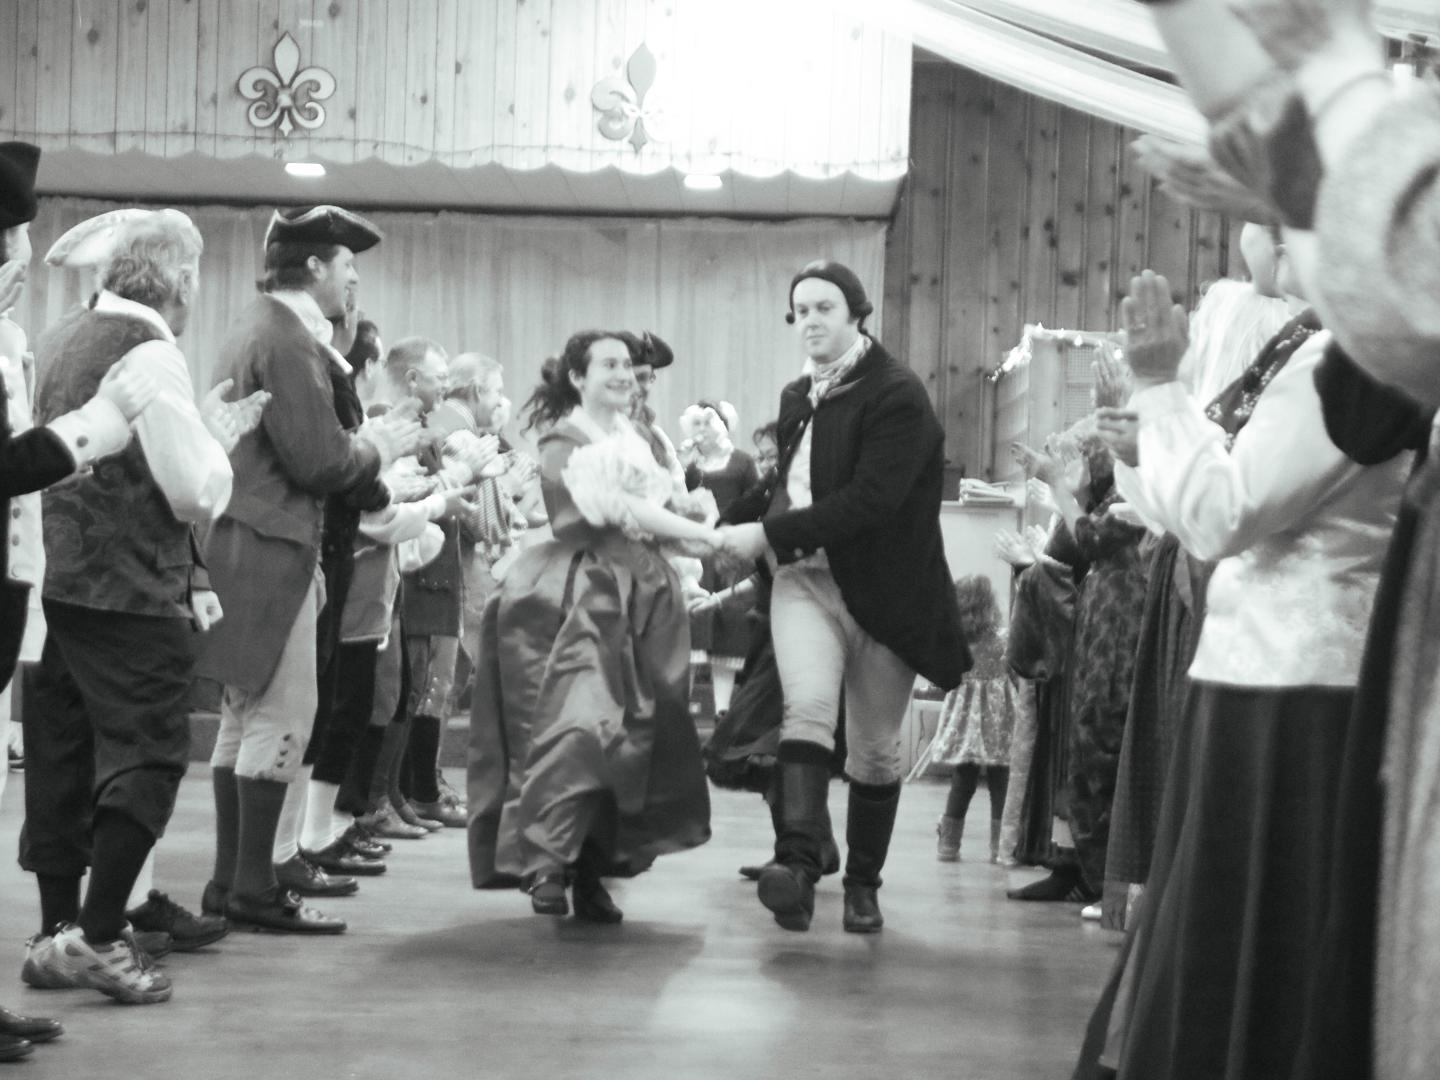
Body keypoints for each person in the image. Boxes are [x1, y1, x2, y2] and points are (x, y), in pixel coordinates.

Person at [1071, 265, 1408, 1080]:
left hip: (1298, 683)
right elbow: (1188, 510)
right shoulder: (1329, 349)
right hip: (1267, 672)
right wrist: (1147, 432)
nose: (1260, 237)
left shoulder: (1357, 359)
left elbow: (1222, 515)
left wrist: (1159, 389)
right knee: (1230, 921)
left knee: (1257, 931)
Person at [21, 211, 256, 1006]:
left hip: (59, 582)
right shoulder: (151, 351)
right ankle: (96, 937)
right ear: (183, 282)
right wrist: (215, 443)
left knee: (63, 754)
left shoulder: (55, 338)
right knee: (150, 755)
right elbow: (193, 489)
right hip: (133, 586)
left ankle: (55, 932)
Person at [718, 260, 968, 933]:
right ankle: (797, 869)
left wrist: (761, 534)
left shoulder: (897, 395)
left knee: (875, 749)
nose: (810, 322)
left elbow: (871, 501)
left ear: (858, 315)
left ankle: (863, 885)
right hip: (806, 581)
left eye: (824, 308)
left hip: (888, 592)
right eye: (799, 310)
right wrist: (729, 522)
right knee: (805, 710)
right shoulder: (799, 396)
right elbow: (795, 485)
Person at [198, 204, 417, 935]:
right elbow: (321, 460)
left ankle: (232, 881)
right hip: (276, 544)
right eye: (348, 266)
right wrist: (379, 443)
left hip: (241, 540)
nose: (352, 280)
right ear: (317, 265)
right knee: (284, 716)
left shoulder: (254, 325)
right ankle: (255, 886)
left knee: (244, 718)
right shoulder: (287, 339)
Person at [467, 330, 715, 920]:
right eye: (609, 364)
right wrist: (699, 531)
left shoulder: (635, 435)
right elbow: (612, 510)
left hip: (644, 594)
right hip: (583, 595)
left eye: (627, 365)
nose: (624, 374)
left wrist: (684, 515)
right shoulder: (564, 440)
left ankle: (592, 868)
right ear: (577, 377)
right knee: (576, 727)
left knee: (634, 736)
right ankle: (549, 859)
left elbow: (649, 508)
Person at [918, 575, 1019, 864]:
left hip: (967, 723)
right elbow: (1014, 672)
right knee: (1001, 781)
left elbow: (941, 674)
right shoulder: (1004, 638)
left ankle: (948, 845)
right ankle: (1000, 848)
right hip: (999, 720)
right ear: (989, 605)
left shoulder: (954, 640)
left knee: (963, 781)